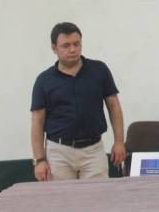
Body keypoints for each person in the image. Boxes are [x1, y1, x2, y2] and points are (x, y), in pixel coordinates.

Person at [30, 22, 126, 181]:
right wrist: (39, 160)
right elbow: (37, 122)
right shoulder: (44, 80)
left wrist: (119, 142)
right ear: (54, 48)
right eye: (66, 45)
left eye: (76, 44)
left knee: (97, 196)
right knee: (62, 197)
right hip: (58, 153)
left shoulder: (99, 70)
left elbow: (114, 107)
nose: (73, 49)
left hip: (93, 151)